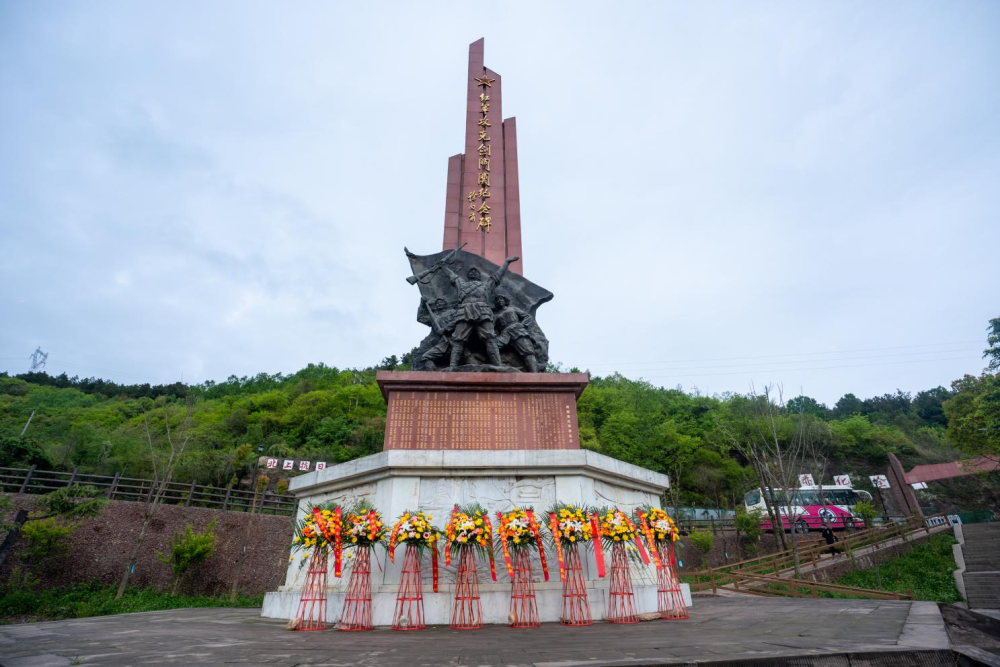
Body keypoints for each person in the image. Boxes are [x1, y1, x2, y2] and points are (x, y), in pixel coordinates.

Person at [441, 256, 518, 367]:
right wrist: (443, 266)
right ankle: (452, 367)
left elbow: (497, 276)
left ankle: (498, 366)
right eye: (471, 271)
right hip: (464, 312)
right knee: (458, 340)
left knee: (490, 338)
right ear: (468, 275)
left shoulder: (486, 285)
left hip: (483, 312)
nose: (473, 272)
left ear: (479, 276)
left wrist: (506, 262)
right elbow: (451, 276)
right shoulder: (461, 284)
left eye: (475, 271)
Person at [493, 291, 539, 372]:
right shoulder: (495, 316)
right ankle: (497, 367)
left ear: (505, 301)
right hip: (505, 334)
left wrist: (523, 325)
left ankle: (534, 374)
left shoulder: (513, 308)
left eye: (501, 299)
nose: (499, 301)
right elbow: (491, 328)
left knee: (528, 352)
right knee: (493, 346)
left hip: (517, 330)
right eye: (497, 300)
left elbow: (527, 316)